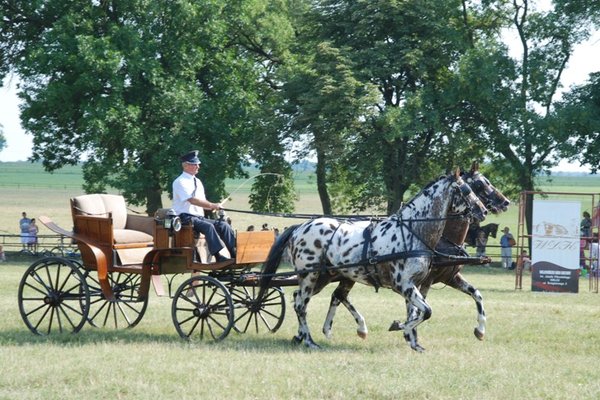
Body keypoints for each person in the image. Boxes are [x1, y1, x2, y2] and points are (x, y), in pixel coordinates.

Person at [172, 150, 235, 262]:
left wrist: (215, 207)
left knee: (223, 225)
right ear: (185, 165)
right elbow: (192, 200)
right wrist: (212, 205)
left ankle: (234, 253)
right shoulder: (180, 181)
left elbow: (202, 202)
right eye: (194, 164)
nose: (197, 166)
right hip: (185, 217)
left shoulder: (198, 181)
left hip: (198, 217)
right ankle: (218, 256)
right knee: (208, 227)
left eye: (198, 164)